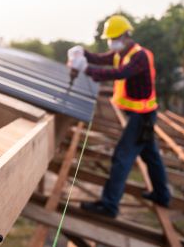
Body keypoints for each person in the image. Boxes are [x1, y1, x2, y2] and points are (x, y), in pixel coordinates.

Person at [68, 15, 170, 218]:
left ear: (125, 36)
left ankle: (109, 205)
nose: (110, 42)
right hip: (143, 115)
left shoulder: (139, 56)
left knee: (122, 158)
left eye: (112, 38)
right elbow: (100, 58)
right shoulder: (120, 53)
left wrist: (86, 69)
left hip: (142, 116)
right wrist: (82, 53)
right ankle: (162, 195)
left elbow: (120, 74)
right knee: (151, 157)